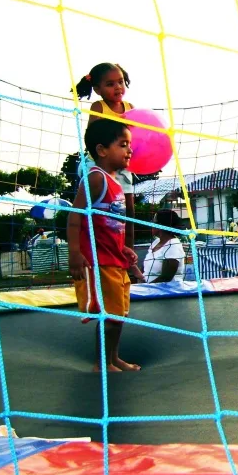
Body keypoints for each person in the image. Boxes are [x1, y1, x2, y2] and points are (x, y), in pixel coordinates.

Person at [67, 118, 140, 373]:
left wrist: (124, 249)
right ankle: (102, 363)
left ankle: (114, 357)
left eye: (129, 145)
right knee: (109, 316)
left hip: (114, 258)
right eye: (123, 144)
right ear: (102, 150)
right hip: (98, 261)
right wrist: (74, 253)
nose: (129, 150)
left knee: (119, 314)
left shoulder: (117, 183)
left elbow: (111, 225)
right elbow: (75, 216)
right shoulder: (95, 179)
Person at [74, 62, 144, 283]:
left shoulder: (130, 106)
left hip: (123, 165)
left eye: (121, 82)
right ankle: (89, 255)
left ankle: (130, 262)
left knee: (128, 212)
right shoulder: (98, 106)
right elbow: (94, 136)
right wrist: (120, 123)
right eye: (110, 84)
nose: (117, 88)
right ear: (97, 89)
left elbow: (138, 136)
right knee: (99, 213)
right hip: (99, 163)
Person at [143, 210, 186, 283]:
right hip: (148, 290)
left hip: (165, 292)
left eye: (154, 221)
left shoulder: (173, 245)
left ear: (160, 225)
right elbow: (144, 272)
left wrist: (146, 287)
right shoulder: (155, 242)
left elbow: (166, 278)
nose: (151, 224)